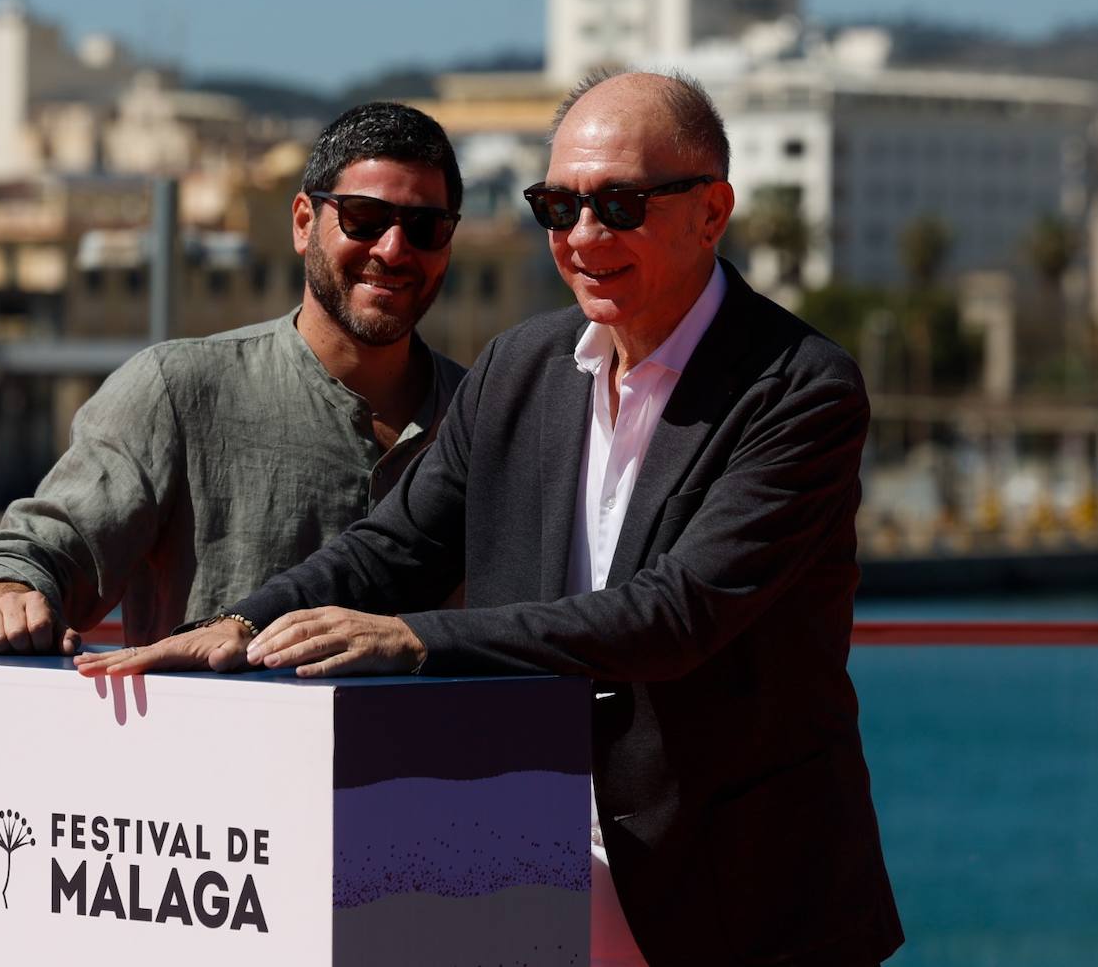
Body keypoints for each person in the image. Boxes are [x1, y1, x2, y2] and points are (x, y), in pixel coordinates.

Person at [78, 70, 903, 967]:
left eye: (619, 204)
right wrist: (241, 625)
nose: (583, 237)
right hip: (522, 867)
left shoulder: (799, 388)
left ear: (712, 211)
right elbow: (394, 548)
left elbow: (677, 615)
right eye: (559, 206)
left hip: (733, 895)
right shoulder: (521, 367)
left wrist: (415, 642)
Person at [0, 101, 466, 656]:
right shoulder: (177, 390)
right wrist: (7, 596)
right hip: (212, 741)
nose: (393, 249)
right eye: (363, 218)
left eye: (424, 227)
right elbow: (45, 547)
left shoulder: (484, 415)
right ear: (302, 224)